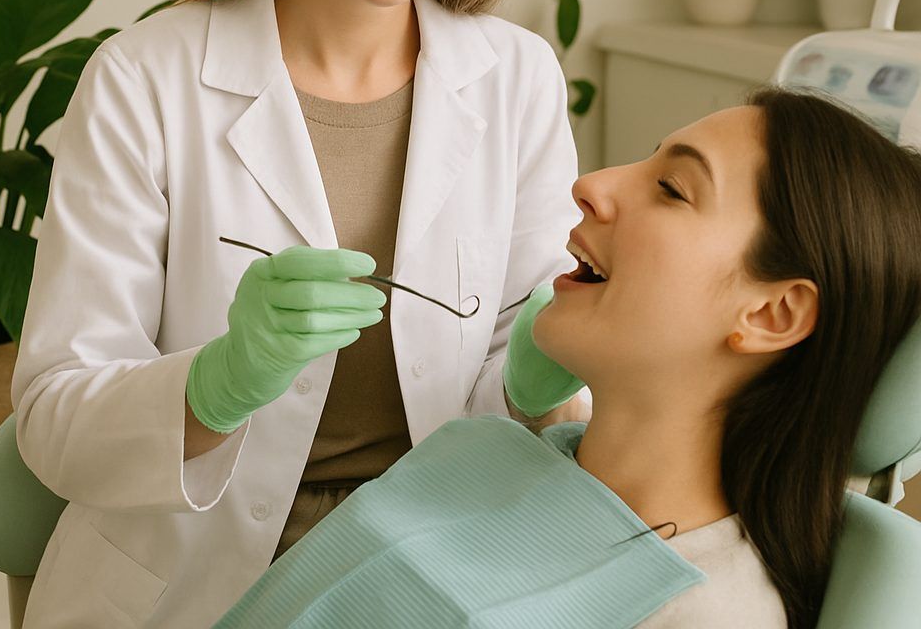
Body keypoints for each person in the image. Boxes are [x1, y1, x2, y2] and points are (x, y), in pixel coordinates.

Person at [11, 0, 581, 628]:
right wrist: (215, 381)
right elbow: (53, 419)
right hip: (187, 590)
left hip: (431, 580)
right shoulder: (143, 80)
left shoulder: (516, 80)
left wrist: (538, 378)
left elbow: (514, 417)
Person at [213, 87, 921, 629]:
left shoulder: (697, 612)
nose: (594, 184)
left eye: (672, 189)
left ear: (771, 314)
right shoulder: (478, 454)